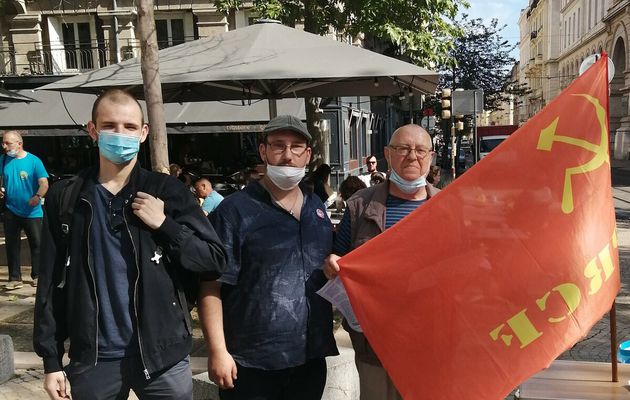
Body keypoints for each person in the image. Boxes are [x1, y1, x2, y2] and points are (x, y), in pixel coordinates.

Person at [33, 89, 226, 400]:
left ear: (144, 133)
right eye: (109, 126)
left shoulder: (167, 191)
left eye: (129, 127)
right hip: (93, 357)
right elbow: (51, 282)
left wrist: (166, 226)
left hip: (162, 356)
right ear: (92, 130)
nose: (119, 134)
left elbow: (214, 261)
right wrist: (51, 360)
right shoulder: (65, 197)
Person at [199, 114, 338, 400]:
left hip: (310, 357)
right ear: (263, 151)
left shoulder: (317, 208)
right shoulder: (234, 211)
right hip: (251, 363)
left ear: (307, 154)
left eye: (296, 146)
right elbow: (211, 283)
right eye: (278, 145)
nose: (287, 155)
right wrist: (217, 350)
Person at [323, 124, 439, 400]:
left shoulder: (449, 205)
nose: (412, 156)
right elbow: (338, 263)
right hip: (375, 344)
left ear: (431, 156)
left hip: (432, 342)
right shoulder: (359, 206)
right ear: (387, 153)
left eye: (420, 150)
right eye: (403, 149)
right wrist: (332, 265)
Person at [0, 130, 49, 290]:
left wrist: (37, 196)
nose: (4, 146)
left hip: (32, 212)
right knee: (12, 244)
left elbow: (44, 183)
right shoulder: (3, 160)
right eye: (3, 142)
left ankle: (38, 275)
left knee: (37, 243)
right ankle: (15, 278)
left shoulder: (34, 161)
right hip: (10, 209)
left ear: (19, 144)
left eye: (8, 143)